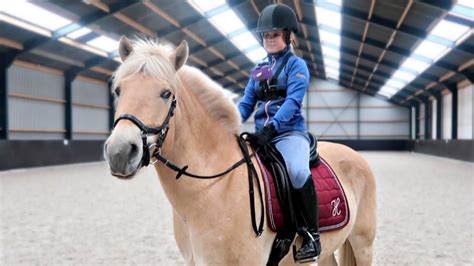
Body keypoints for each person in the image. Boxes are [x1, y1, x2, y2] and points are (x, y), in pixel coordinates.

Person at [238, 3, 321, 262]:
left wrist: (272, 126)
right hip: (260, 135)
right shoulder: (259, 69)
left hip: (288, 133)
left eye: (274, 34)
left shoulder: (297, 66)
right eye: (265, 35)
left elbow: (293, 102)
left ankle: (311, 235)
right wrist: (229, 122)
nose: (269, 39)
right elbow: (246, 103)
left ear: (287, 35)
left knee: (296, 171)